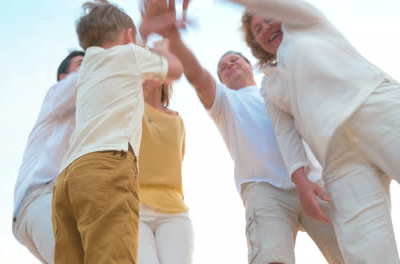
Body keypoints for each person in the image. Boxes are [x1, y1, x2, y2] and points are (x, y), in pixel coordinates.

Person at [140, 2, 345, 263]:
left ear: (251, 65)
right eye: (223, 67)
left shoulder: (277, 88)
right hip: (263, 189)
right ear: (222, 81)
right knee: (271, 258)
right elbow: (198, 76)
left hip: (312, 179)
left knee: (350, 251)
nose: (229, 65)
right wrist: (174, 39)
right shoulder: (225, 102)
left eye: (234, 60)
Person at [230, 0, 400, 262]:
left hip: (377, 110)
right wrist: (302, 184)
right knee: (365, 249)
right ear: (256, 44)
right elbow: (285, 133)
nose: (265, 28)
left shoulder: (308, 23)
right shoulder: (270, 85)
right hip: (338, 158)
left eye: (268, 18)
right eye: (257, 29)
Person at [51, 1, 183, 263]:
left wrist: (140, 33)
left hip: (67, 179)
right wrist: (162, 46)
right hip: (106, 168)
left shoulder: (88, 66)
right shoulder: (129, 55)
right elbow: (175, 71)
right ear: (128, 37)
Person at [12, 50, 84, 264]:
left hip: (54, 205)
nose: (90, 65)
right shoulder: (58, 94)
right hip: (39, 199)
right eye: (82, 63)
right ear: (64, 77)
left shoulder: (85, 114)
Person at [138, 76, 193, 263]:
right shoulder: (129, 110)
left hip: (174, 211)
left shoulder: (178, 121)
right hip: (134, 209)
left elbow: (176, 166)